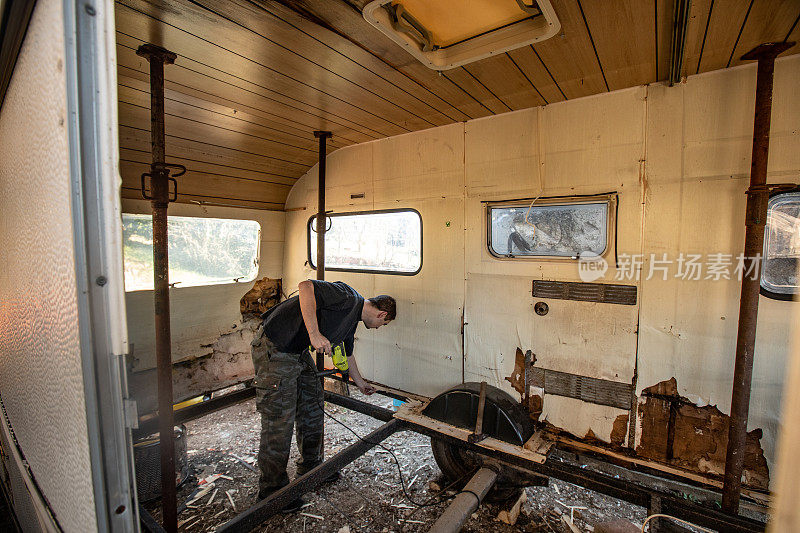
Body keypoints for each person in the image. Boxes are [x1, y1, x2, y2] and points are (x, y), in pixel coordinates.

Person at [250, 279, 396, 511]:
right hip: (275, 345)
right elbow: (306, 286)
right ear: (382, 315)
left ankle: (311, 466)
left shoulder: (351, 321)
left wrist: (360, 383)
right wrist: (315, 334)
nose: (380, 328)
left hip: (296, 351)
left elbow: (347, 354)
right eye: (384, 324)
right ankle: (272, 491)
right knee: (279, 419)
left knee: (313, 402)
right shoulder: (348, 296)